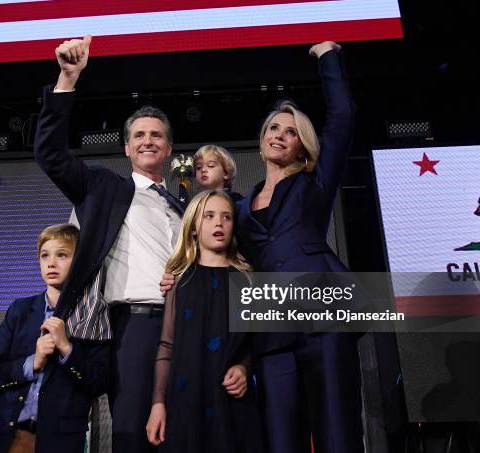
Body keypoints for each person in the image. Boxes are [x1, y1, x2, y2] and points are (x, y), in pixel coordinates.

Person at [34, 35, 184, 453]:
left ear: (169, 148)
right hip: (133, 327)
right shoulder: (104, 188)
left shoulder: (186, 206)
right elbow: (49, 154)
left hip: (186, 325)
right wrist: (67, 79)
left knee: (187, 431)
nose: (148, 140)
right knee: (134, 434)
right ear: (127, 147)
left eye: (156, 134)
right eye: (139, 135)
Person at [235, 41, 364, 452]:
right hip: (272, 332)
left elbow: (343, 118)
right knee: (280, 435)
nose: (281, 135)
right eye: (274, 128)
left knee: (336, 429)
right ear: (262, 140)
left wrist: (328, 56)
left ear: (301, 145)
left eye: (291, 131)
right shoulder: (238, 208)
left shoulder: (316, 184)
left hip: (324, 319)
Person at [0, 224, 109, 453]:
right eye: (45, 255)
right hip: (4, 436)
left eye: (62, 255)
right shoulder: (20, 310)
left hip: (59, 442)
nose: (51, 263)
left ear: (80, 262)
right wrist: (31, 363)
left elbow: (99, 382)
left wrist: (67, 349)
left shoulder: (94, 315)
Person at [146, 190, 262, 453]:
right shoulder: (179, 279)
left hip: (231, 399)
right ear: (194, 227)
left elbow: (255, 341)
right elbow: (167, 345)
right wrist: (158, 403)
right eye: (209, 216)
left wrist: (244, 369)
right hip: (186, 398)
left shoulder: (248, 279)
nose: (219, 223)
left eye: (226, 217)